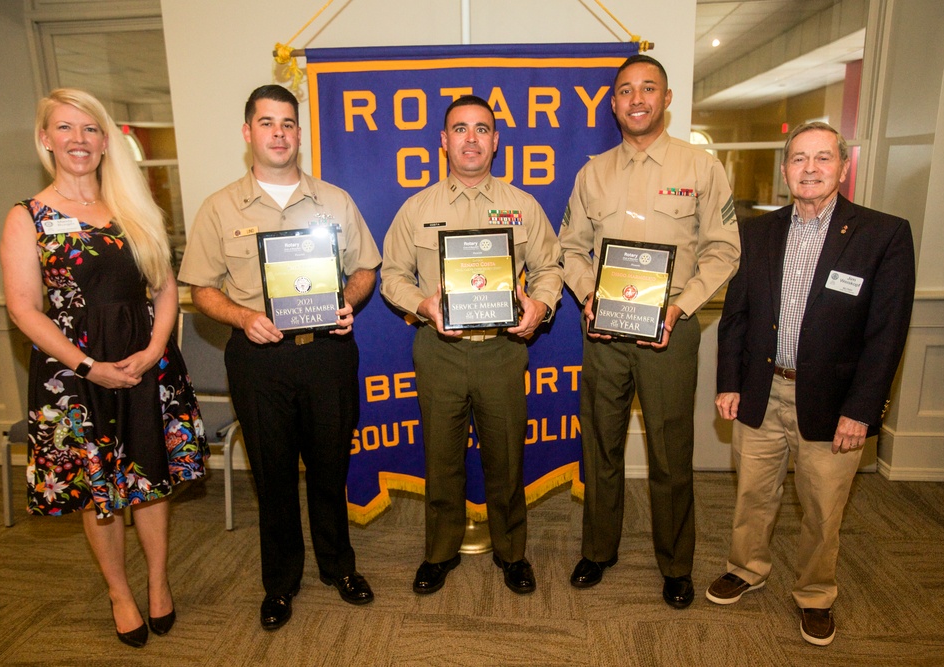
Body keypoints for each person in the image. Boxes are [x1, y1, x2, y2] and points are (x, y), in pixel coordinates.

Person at [0, 88, 209, 648]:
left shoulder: (135, 205)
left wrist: (155, 348)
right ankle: (120, 591)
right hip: (74, 376)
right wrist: (89, 365)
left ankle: (159, 582)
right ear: (45, 139)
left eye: (90, 129)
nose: (79, 140)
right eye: (65, 128)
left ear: (105, 140)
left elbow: (165, 288)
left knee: (149, 478)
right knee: (102, 488)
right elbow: (23, 307)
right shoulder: (28, 217)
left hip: (148, 364)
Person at [178, 84, 380, 630]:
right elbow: (201, 289)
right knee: (271, 475)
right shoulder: (220, 207)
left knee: (329, 467)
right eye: (267, 123)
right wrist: (244, 317)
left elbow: (365, 269)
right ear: (248, 133)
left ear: (298, 132)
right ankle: (280, 582)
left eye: (288, 123)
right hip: (259, 359)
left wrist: (348, 301)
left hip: (328, 354)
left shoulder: (335, 200)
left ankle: (339, 567)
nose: (279, 133)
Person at [705, 122, 916, 645]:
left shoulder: (882, 235)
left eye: (823, 159)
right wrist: (729, 381)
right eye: (799, 159)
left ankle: (815, 594)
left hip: (834, 400)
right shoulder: (758, 232)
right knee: (752, 495)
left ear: (843, 168)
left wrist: (862, 410)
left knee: (823, 506)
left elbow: (887, 335)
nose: (810, 169)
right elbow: (737, 317)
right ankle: (747, 567)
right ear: (785, 170)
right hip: (761, 390)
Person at [558, 54, 740, 608]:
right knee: (601, 445)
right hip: (605, 332)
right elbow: (569, 248)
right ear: (613, 103)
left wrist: (680, 306)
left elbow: (724, 249)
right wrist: (589, 296)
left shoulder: (700, 168)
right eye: (625, 91)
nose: (636, 99)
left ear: (666, 99)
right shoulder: (593, 172)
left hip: (671, 330)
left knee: (669, 451)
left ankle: (675, 564)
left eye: (648, 89)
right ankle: (598, 549)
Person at [380, 95, 563, 595]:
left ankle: (512, 553)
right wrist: (424, 306)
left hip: (502, 350)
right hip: (438, 350)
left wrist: (539, 307)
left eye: (482, 129)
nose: (471, 138)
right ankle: (439, 553)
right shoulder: (417, 208)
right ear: (443, 141)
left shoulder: (523, 206)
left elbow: (550, 268)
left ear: (496, 141)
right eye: (460, 129)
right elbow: (391, 275)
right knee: (441, 458)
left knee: (506, 458)